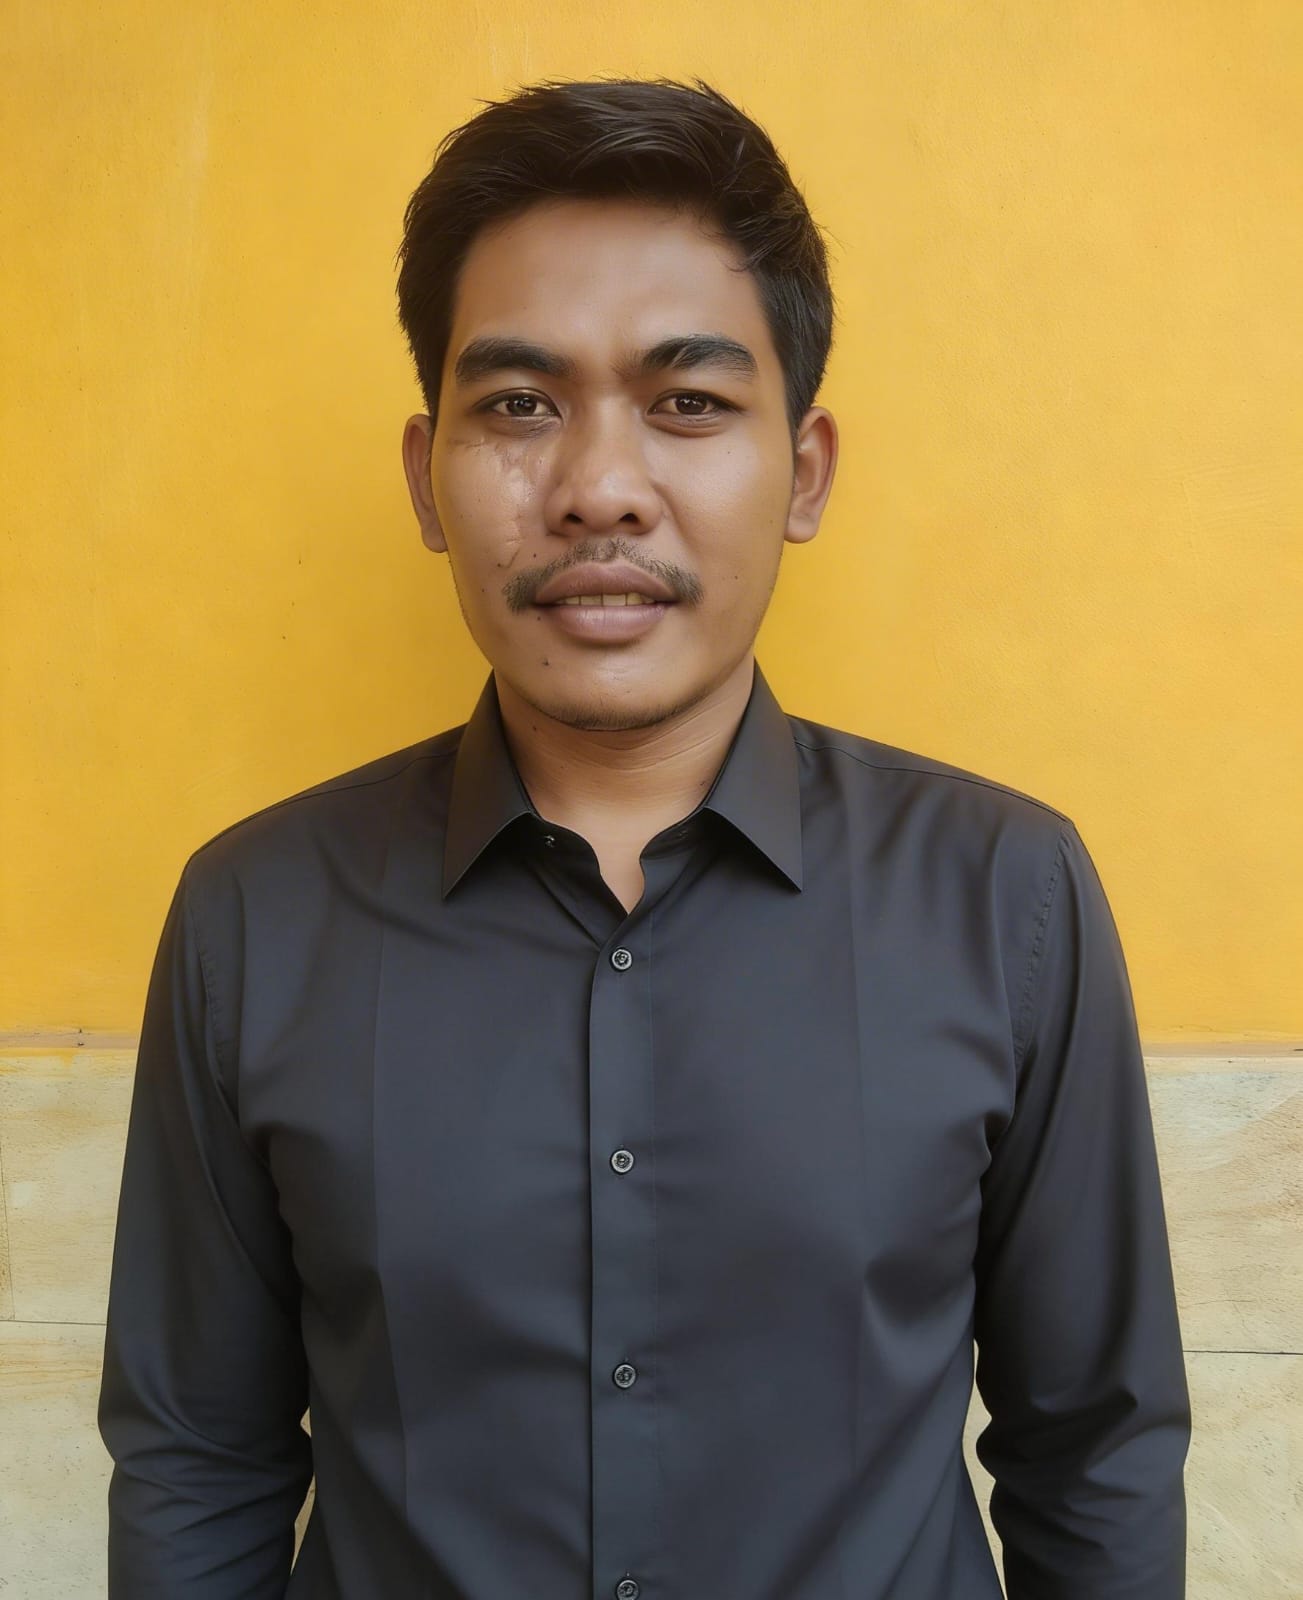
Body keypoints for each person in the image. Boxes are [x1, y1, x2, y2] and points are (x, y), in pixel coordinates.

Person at [98, 76, 1191, 1599]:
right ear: (426, 476)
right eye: (519, 406)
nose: (600, 490)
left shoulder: (1007, 898)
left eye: (688, 404)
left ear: (804, 472)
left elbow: (1096, 1449)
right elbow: (197, 1460)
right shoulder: (256, 916)